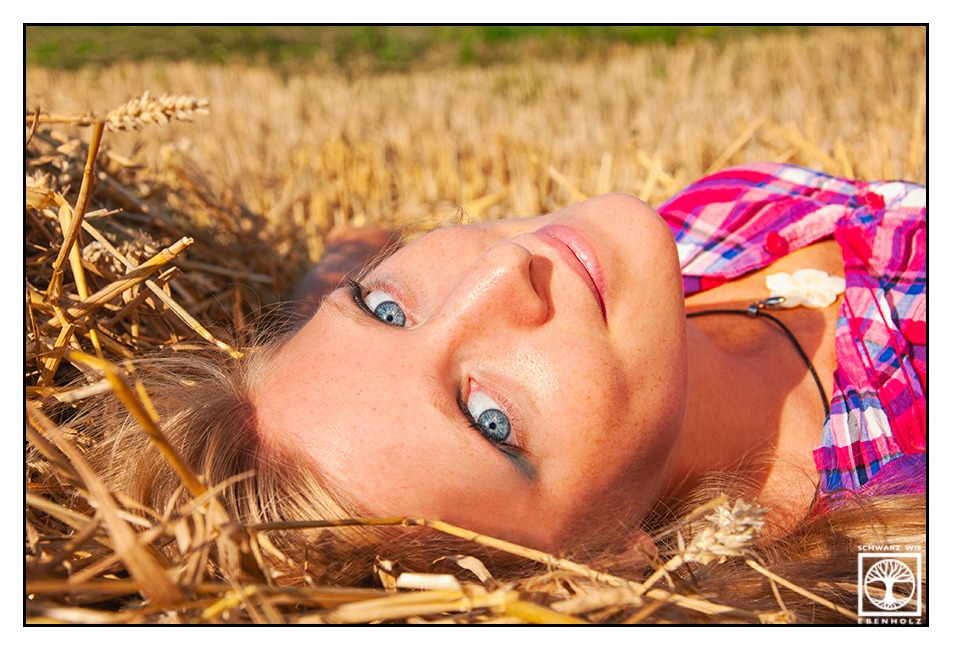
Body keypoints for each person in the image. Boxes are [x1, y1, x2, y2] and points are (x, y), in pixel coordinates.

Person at [72, 163, 925, 615]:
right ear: (608, 562)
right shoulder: (907, 456)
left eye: (384, 305)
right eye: (489, 419)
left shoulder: (655, 279)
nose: (498, 270)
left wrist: (334, 266)